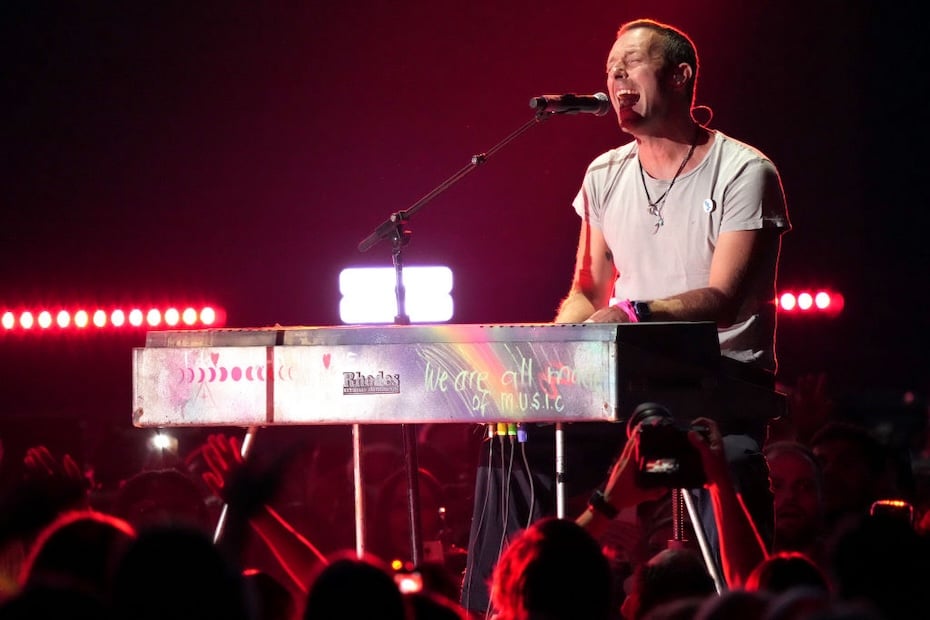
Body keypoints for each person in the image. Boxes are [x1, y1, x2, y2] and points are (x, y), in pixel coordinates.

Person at [461, 17, 790, 614]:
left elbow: (725, 298)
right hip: (626, 390)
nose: (615, 81)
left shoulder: (745, 171)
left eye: (629, 66)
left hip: (716, 389)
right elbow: (587, 288)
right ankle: (495, 608)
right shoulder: (603, 174)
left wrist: (630, 313)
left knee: (735, 465)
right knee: (514, 445)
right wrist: (565, 343)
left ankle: (743, 607)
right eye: (610, 71)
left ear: (680, 75)